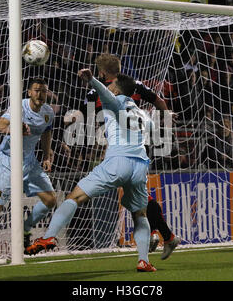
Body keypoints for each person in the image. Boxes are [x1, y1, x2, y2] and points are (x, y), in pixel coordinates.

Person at [25, 69, 157, 272]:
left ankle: (48, 237)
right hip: (140, 165)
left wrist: (91, 80)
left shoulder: (116, 102)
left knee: (75, 197)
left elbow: (105, 95)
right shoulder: (143, 114)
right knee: (140, 214)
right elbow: (150, 131)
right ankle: (143, 260)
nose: (110, 86)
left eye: (112, 84)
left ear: (118, 89)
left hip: (117, 162)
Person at [86, 53, 181, 259]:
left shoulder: (95, 92)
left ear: (101, 73)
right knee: (133, 193)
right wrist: (165, 121)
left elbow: (94, 123)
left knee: (134, 193)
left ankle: (161, 234)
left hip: (119, 147)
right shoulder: (136, 85)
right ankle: (161, 234)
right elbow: (158, 101)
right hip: (140, 142)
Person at [0, 78, 57, 260]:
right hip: (8, 161)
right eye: (37, 90)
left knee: (50, 200)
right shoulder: (19, 107)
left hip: (29, 162)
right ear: (29, 92)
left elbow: (47, 132)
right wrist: (15, 128)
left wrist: (46, 155)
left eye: (44, 91)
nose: (40, 94)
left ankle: (25, 229)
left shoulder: (48, 113)